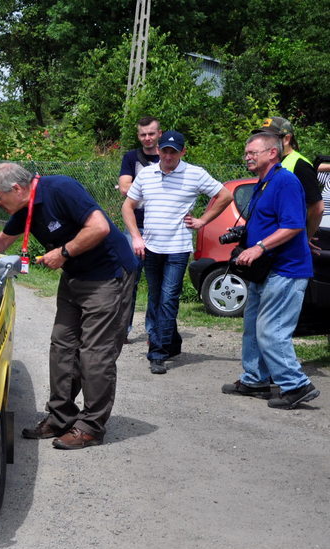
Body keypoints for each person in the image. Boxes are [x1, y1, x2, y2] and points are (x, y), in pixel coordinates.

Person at [0, 162, 138, 450]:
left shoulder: (61, 188)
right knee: (62, 346)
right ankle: (60, 417)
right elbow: (0, 241)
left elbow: (99, 227)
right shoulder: (24, 208)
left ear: (16, 189)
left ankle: (91, 427)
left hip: (107, 275)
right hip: (75, 277)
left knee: (95, 354)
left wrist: (64, 252)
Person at [221, 132, 320, 409]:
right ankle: (255, 379)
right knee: (253, 326)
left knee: (271, 330)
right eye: (246, 153)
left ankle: (296, 385)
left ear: (272, 153)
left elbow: (293, 224)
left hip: (285, 270)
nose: (247, 157)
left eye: (253, 152)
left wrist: (259, 247)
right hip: (263, 271)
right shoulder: (264, 183)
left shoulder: (285, 181)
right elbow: (269, 221)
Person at [121, 130, 233, 375]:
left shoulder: (195, 173)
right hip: (151, 247)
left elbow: (225, 195)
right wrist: (136, 237)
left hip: (178, 248)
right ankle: (171, 342)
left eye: (173, 151)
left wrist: (203, 220)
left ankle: (158, 353)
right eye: (165, 151)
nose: (168, 156)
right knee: (155, 297)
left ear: (183, 152)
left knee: (169, 298)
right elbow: (127, 206)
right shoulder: (146, 174)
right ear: (158, 150)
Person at [252, 117, 324, 250]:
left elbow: (317, 207)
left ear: (286, 139)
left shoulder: (300, 165)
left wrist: (306, 237)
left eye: (269, 137)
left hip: (287, 244)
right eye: (262, 137)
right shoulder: (272, 162)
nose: (263, 141)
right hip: (271, 242)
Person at [117, 116, 161, 335]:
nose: (147, 138)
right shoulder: (130, 157)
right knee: (128, 279)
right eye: (143, 134)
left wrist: (137, 186)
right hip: (134, 226)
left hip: (161, 228)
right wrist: (158, 185)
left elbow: (129, 187)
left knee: (157, 283)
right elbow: (124, 188)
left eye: (151, 133)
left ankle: (153, 331)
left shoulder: (168, 155)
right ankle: (123, 329)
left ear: (159, 134)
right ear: (138, 136)